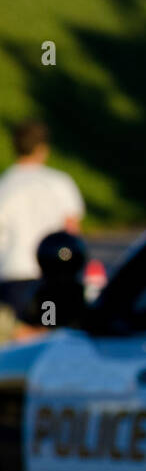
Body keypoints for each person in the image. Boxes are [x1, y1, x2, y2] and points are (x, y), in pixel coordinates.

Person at [0, 120, 84, 326]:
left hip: (13, 275)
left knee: (20, 343)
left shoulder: (4, 185)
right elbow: (72, 230)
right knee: (52, 335)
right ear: (42, 149)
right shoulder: (59, 182)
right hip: (55, 278)